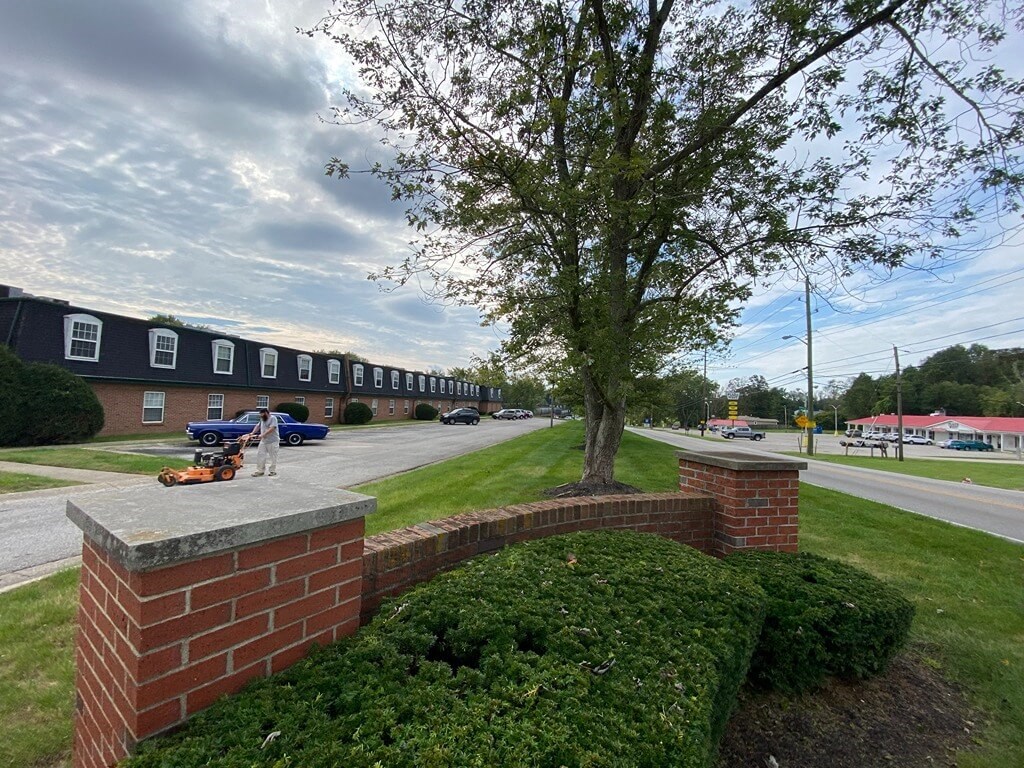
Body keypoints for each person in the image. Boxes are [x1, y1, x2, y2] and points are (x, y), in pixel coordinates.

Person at [249, 408, 279, 477]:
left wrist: (263, 435)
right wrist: (252, 433)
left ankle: (272, 471)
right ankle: (260, 471)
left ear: (266, 413)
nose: (261, 416)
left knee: (273, 456)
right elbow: (258, 426)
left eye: (262, 415)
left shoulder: (273, 418)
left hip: (273, 441)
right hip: (263, 441)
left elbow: (272, 428)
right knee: (260, 455)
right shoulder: (262, 419)